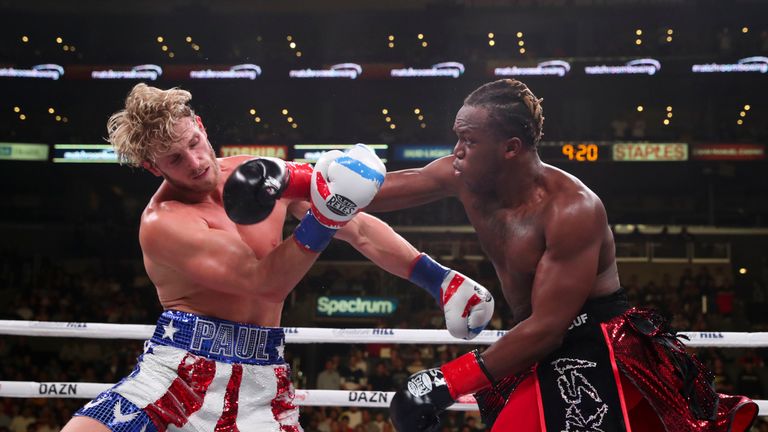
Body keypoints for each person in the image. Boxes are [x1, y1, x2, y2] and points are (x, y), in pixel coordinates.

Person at [61, 83, 494, 432]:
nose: (195, 161)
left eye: (194, 142)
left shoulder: (259, 171)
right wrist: (325, 215)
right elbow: (264, 281)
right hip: (179, 374)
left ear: (200, 124)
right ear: (154, 167)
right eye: (175, 158)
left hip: (263, 379)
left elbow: (357, 224)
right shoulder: (164, 222)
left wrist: (438, 279)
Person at [361, 79, 759, 431]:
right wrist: (300, 179)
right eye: (458, 138)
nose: (457, 151)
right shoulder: (461, 175)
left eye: (469, 140)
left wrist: (444, 382)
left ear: (511, 148)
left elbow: (550, 327)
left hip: (592, 344)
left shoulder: (570, 209)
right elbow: (374, 190)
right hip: (535, 340)